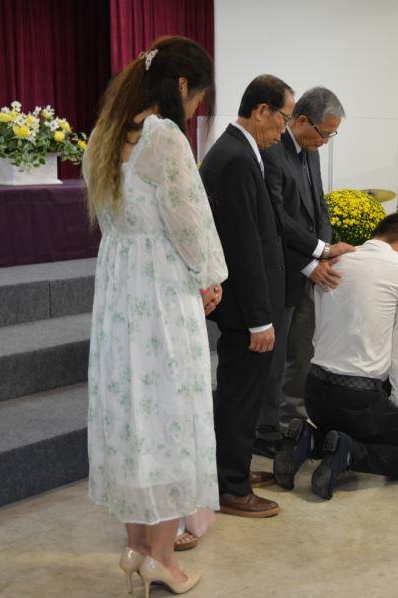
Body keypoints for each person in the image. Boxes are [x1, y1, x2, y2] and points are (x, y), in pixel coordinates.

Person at [84, 36, 225, 596]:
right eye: (198, 98)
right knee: (170, 417)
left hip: (118, 296)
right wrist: (209, 276)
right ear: (183, 84)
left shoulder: (104, 134)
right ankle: (162, 558)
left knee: (129, 417)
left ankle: (136, 549)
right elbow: (190, 221)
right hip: (162, 295)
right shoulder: (164, 137)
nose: (194, 109)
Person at [273, 213, 398, 500]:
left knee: (350, 428)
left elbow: (318, 328)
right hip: (358, 398)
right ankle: (348, 453)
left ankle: (308, 438)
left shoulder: (337, 259)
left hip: (315, 391)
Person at [200, 74, 293, 518]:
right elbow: (243, 245)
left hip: (246, 305)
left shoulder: (239, 151)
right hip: (245, 310)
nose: (284, 130)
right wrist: (260, 318)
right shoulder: (235, 157)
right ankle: (230, 487)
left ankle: (231, 470)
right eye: (283, 119)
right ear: (261, 111)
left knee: (242, 396)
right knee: (239, 398)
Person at [255, 86, 354, 457]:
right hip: (283, 271)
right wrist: (314, 257)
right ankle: (266, 429)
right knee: (275, 358)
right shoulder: (272, 151)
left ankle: (293, 423)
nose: (326, 142)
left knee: (302, 353)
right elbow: (275, 220)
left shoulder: (310, 152)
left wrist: (325, 251)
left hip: (312, 268)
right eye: (324, 133)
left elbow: (318, 207)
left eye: (332, 135)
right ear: (300, 121)